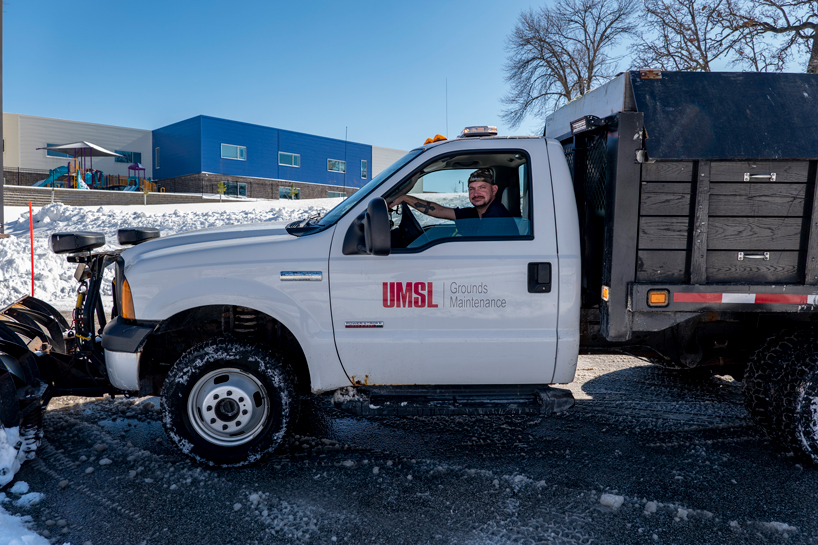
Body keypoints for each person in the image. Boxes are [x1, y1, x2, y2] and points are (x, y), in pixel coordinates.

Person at [390, 168, 512, 220]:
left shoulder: (497, 216)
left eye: (482, 187)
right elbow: (440, 211)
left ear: (494, 190)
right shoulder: (474, 213)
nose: (476, 193)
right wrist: (405, 198)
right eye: (471, 189)